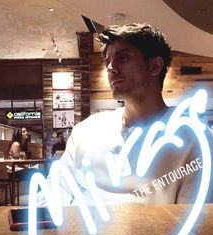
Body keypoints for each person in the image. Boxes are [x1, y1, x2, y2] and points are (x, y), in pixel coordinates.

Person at [40, 23, 212, 206]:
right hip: (79, 233)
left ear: (154, 66)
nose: (110, 68)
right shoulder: (88, 130)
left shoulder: (195, 140)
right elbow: (55, 191)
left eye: (123, 58)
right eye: (108, 61)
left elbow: (191, 224)